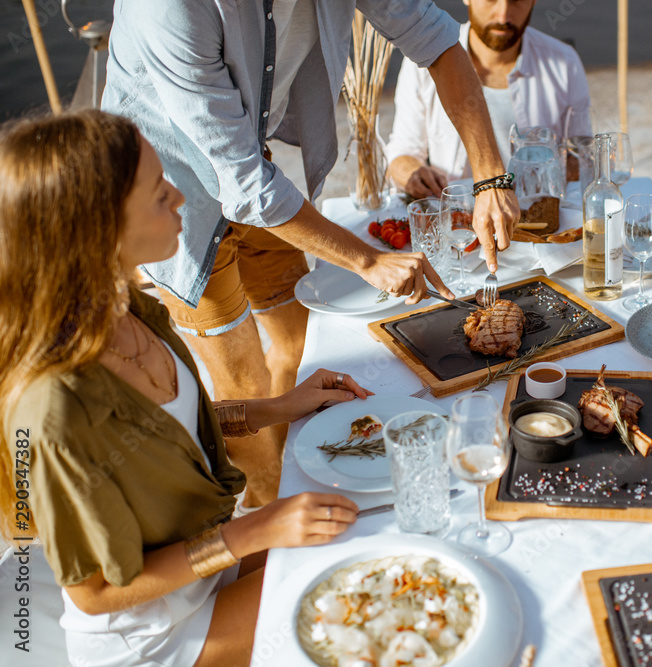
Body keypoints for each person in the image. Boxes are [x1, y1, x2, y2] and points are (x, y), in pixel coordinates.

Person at [101, 0, 519, 506]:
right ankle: (270, 525)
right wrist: (368, 260)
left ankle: (290, 487)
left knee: (301, 354)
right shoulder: (167, 8)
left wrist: (490, 175)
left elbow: (437, 40)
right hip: (167, 197)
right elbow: (243, 186)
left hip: (258, 167)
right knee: (243, 382)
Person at [0, 110, 374, 666]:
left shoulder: (136, 312)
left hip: (209, 569)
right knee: (359, 592)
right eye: (157, 194)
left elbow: (172, 431)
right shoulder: (51, 409)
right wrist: (254, 532)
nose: (180, 196)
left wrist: (282, 405)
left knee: (368, 522)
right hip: (159, 634)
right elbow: (94, 592)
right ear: (98, 230)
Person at [386, 0, 591, 198]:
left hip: (536, 221)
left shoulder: (565, 62)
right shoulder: (424, 62)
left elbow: (581, 155)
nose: (503, 15)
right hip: (456, 220)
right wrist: (413, 174)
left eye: (516, 0)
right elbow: (403, 150)